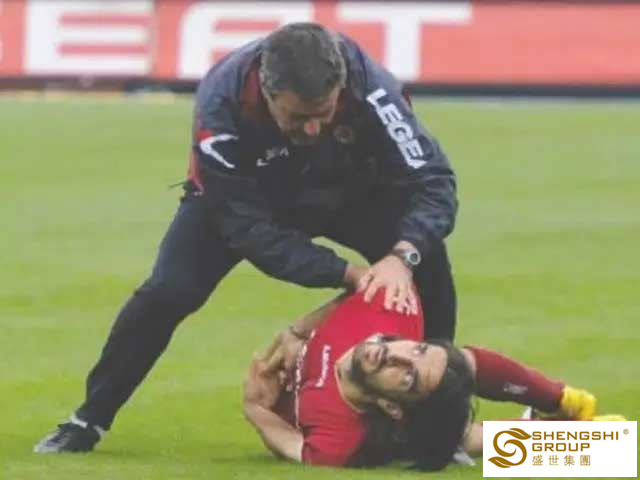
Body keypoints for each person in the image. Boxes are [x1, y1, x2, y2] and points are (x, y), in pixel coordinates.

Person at [34, 22, 458, 453]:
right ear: (268, 94)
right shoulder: (221, 104)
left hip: (351, 188)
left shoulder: (371, 88)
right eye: (298, 117)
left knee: (426, 267)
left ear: (342, 87)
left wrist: (402, 257)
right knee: (168, 292)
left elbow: (433, 179)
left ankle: (447, 434)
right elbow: (250, 231)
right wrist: (347, 275)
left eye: (325, 113)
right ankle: (89, 418)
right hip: (249, 195)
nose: (313, 129)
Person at [243, 291, 623, 470]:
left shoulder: (339, 443)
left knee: (453, 434)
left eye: (407, 375)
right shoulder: (389, 307)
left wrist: (255, 408)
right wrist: (297, 331)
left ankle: (592, 440)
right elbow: (353, 292)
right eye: (416, 350)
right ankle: (565, 412)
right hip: (403, 425)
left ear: (391, 405)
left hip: (406, 425)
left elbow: (293, 445)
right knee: (456, 379)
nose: (397, 354)